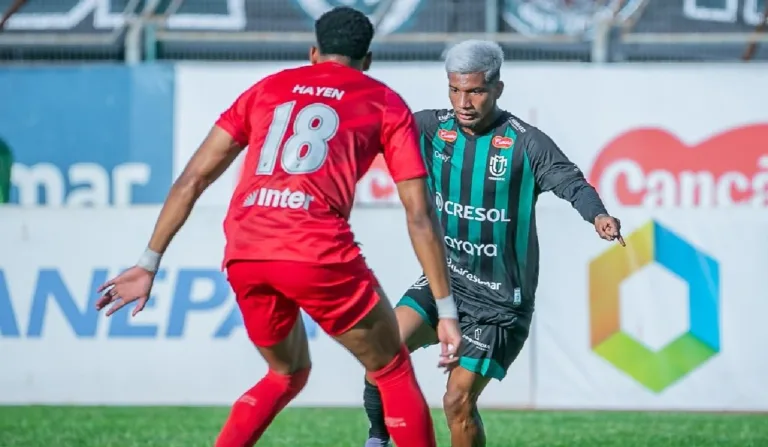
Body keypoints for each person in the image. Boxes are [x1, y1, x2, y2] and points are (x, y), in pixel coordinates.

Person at [94, 7, 462, 447]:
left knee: (286, 372)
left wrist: (148, 262)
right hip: (316, 251)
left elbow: (192, 179)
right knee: (391, 368)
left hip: (246, 252)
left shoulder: (267, 89)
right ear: (367, 60)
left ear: (313, 52)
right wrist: (445, 309)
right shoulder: (383, 101)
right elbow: (418, 214)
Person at [362, 39, 625, 447]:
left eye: (476, 91)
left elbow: (571, 181)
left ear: (497, 88)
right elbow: (377, 129)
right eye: (455, 90)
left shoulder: (526, 142)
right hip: (444, 284)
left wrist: (598, 214)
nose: (464, 101)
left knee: (457, 400)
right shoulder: (432, 128)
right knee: (380, 352)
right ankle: (377, 440)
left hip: (500, 302)